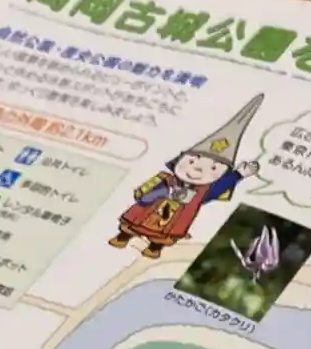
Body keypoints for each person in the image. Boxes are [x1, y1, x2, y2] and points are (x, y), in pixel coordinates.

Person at [110, 96, 262, 260]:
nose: (197, 169)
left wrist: (238, 175)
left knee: (163, 236)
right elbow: (145, 197)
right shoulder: (166, 180)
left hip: (174, 222)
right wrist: (165, 192)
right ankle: (123, 237)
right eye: (191, 161)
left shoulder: (203, 191)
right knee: (133, 224)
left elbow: (218, 189)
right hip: (147, 213)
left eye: (213, 168)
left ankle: (154, 247)